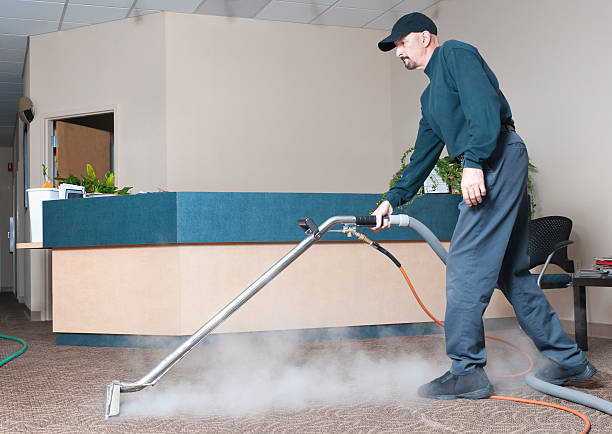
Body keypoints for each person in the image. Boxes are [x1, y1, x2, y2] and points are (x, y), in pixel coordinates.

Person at [372, 12, 596, 400]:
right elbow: (423, 156)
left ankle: (467, 371)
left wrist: (473, 162)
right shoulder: (430, 97)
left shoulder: (456, 55)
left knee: (464, 266)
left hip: (496, 156)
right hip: (495, 160)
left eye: (401, 43)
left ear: (425, 38)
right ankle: (567, 360)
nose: (397, 52)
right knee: (511, 272)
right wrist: (393, 199)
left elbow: (483, 107)